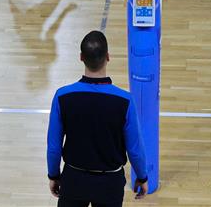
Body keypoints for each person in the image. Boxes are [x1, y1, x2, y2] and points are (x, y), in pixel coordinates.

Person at [47, 30, 148, 206]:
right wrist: (142, 176)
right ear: (108, 57)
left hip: (74, 180)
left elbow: (54, 147)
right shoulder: (125, 101)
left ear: (81, 57)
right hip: (109, 184)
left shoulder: (62, 96)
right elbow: (135, 149)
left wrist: (53, 175)